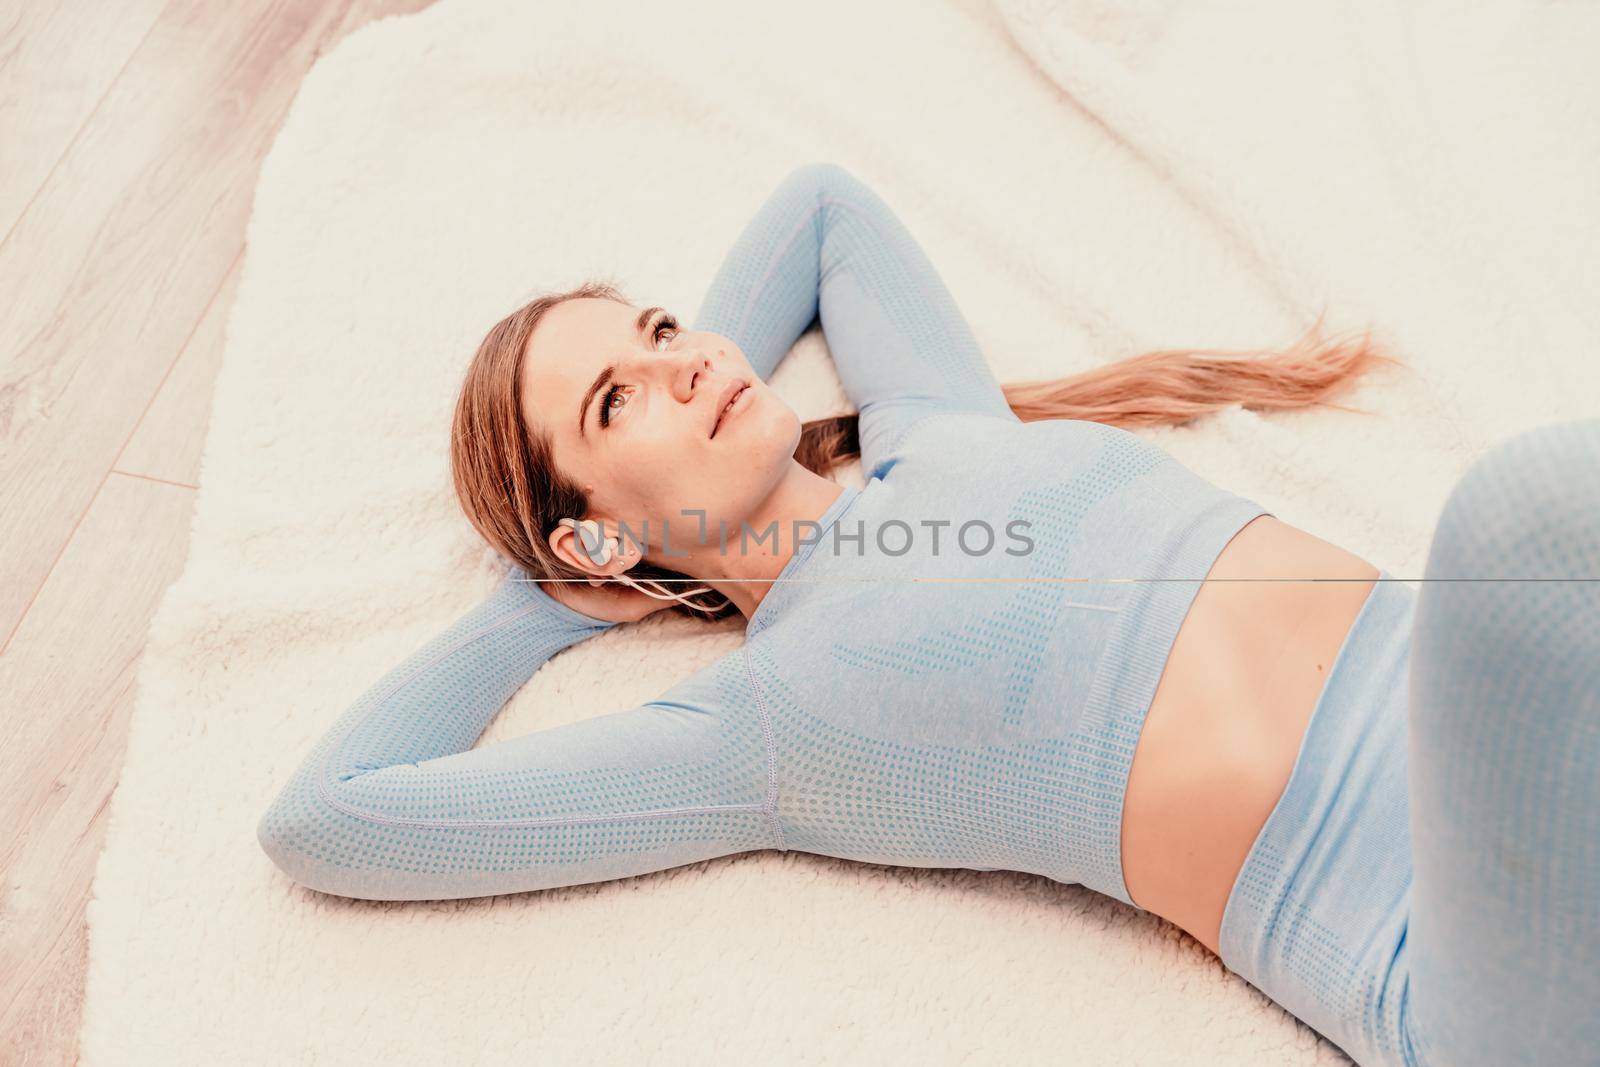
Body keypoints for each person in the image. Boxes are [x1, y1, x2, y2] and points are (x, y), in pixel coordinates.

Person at [256, 163, 1598, 1067]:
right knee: (1531, 518)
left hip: (1563, 761)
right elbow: (329, 816)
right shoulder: (759, 729)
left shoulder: (937, 425)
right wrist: (556, 596)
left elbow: (824, 208)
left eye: (664, 328)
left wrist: (650, 426)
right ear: (595, 536)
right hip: (1465, 960)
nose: (682, 361)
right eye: (614, 401)